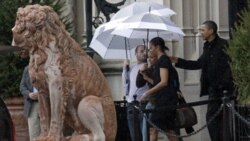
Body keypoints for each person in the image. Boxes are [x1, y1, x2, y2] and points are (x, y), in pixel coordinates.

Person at [171, 20, 234, 141]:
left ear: (211, 31)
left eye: (202, 30)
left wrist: (224, 84)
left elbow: (229, 66)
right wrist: (178, 61)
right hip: (213, 90)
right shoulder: (207, 47)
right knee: (214, 119)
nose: (200, 33)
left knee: (216, 119)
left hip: (223, 90)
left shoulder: (223, 45)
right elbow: (199, 64)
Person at [140, 37, 179, 141]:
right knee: (168, 130)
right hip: (165, 100)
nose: (149, 51)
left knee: (155, 128)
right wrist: (146, 77)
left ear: (158, 47)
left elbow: (164, 82)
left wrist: (147, 93)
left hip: (165, 101)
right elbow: (159, 82)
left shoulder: (163, 60)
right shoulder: (161, 61)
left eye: (151, 48)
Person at [122, 45, 148, 141]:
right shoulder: (132, 68)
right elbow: (125, 85)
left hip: (143, 103)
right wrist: (125, 68)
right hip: (131, 104)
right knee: (134, 136)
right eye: (141, 51)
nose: (144, 53)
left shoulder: (148, 66)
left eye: (145, 51)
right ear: (136, 54)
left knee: (145, 134)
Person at [20, 64, 41, 140]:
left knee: (48, 133)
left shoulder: (48, 67)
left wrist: (42, 93)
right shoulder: (27, 68)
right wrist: (29, 94)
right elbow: (22, 87)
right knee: (34, 134)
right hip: (32, 104)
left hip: (47, 103)